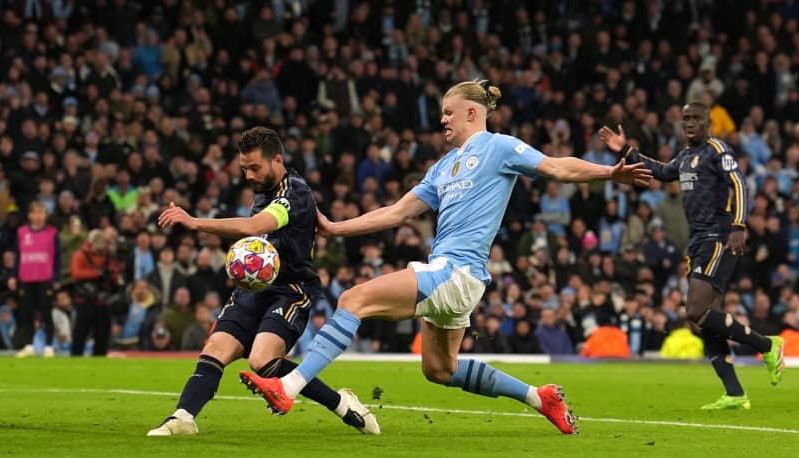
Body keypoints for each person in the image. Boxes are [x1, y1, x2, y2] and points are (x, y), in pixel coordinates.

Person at [244, 80, 654, 435]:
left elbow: (556, 168)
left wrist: (606, 173)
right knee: (439, 369)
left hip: (455, 271)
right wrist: (336, 227)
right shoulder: (442, 168)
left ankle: (289, 386)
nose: (443, 120)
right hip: (457, 276)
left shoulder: (499, 147)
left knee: (353, 299)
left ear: (472, 112)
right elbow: (396, 212)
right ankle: (539, 397)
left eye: (448, 112)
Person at [150, 126, 379, 436]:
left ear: (277, 161)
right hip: (254, 289)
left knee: (262, 360)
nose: (248, 175)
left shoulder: (293, 191)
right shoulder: (266, 192)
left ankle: (340, 402)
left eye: (255, 167)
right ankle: (183, 418)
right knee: (215, 348)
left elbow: (255, 226)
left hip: (290, 291)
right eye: (244, 168)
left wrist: (194, 222)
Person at [599, 102, 785, 410]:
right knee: (707, 320)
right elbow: (660, 171)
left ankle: (768, 345)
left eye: (695, 118)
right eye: (685, 118)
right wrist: (626, 150)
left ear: (708, 122)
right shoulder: (685, 157)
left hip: (719, 238)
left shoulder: (717, 149)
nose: (689, 123)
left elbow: (739, 183)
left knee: (696, 309)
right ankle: (735, 394)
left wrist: (738, 225)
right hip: (698, 242)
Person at [14, 201, 61, 357]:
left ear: (46, 215)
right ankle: (29, 346)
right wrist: (14, 276)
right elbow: (18, 256)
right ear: (30, 215)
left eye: (42, 212)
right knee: (27, 313)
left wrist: (57, 277)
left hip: (45, 278)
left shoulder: (52, 233)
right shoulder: (21, 232)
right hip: (26, 278)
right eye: (36, 212)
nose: (39, 216)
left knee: (46, 313)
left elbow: (57, 257)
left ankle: (48, 346)